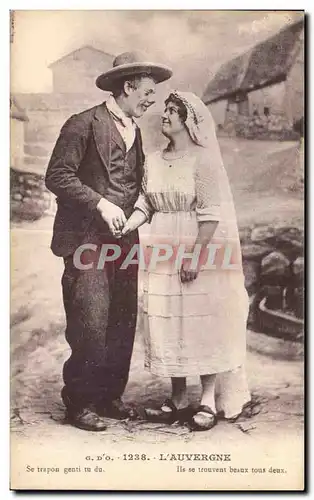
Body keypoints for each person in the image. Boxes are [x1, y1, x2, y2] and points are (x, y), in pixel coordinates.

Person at [45, 51, 172, 431]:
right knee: (90, 320)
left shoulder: (135, 131)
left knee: (121, 319)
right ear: (127, 87)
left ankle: (108, 396)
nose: (152, 100)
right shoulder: (82, 124)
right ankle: (80, 402)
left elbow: (134, 185)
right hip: (86, 239)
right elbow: (57, 176)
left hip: (124, 240)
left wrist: (134, 215)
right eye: (148, 91)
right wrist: (100, 204)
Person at [121, 91, 255, 431]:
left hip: (197, 245)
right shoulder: (152, 159)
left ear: (188, 120)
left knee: (199, 319)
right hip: (162, 245)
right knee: (169, 319)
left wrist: (195, 256)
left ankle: (207, 399)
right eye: (164, 110)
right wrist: (128, 225)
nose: (164, 115)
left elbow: (211, 216)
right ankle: (178, 396)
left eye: (171, 111)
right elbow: (146, 204)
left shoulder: (204, 160)